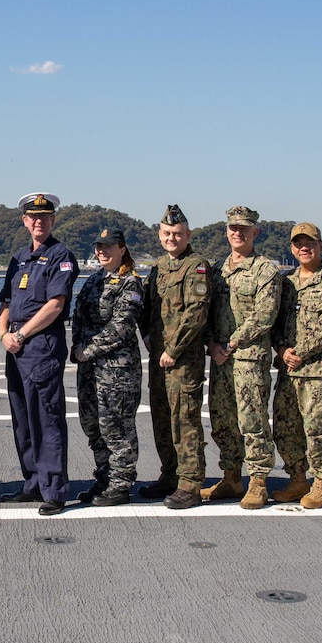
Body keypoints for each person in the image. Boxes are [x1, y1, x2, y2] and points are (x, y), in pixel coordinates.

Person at [0, 193, 78, 516]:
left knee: (46, 418)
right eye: (33, 217)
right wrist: (4, 334)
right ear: (25, 221)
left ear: (53, 220)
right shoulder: (19, 258)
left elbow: (56, 305)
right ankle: (32, 482)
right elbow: (4, 303)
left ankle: (54, 488)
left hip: (41, 346)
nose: (38, 222)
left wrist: (20, 334)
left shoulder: (60, 255)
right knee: (23, 419)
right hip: (15, 347)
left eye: (44, 217)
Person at [205, 206, 282, 509]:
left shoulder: (265, 270)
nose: (238, 233)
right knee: (223, 420)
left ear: (255, 233)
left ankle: (259, 481)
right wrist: (212, 343)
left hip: (249, 358)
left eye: (244, 229)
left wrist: (231, 343)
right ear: (226, 232)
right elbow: (206, 311)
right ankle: (231, 476)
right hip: (221, 359)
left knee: (253, 421)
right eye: (233, 228)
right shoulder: (216, 270)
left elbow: (265, 315)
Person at [270, 222, 322, 509]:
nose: (304, 248)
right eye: (298, 243)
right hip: (289, 369)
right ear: (292, 248)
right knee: (284, 426)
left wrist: (299, 352)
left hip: (319, 371)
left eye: (310, 243)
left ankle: (321, 482)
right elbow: (275, 321)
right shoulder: (287, 282)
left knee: (317, 427)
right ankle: (297, 478)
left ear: (320, 245)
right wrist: (281, 348)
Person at [141, 205, 212, 509]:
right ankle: (169, 474)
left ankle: (190, 483)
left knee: (185, 421)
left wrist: (173, 350)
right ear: (160, 234)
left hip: (182, 360)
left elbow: (196, 313)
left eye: (178, 234)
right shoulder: (158, 267)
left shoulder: (196, 266)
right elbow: (146, 308)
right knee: (162, 419)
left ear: (188, 235)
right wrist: (149, 341)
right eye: (167, 233)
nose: (172, 238)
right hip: (159, 359)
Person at [70, 228, 144, 506]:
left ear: (122, 249)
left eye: (108, 247)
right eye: (99, 247)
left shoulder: (130, 283)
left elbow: (122, 327)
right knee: (93, 426)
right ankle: (104, 478)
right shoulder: (93, 281)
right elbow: (77, 318)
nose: (102, 251)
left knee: (117, 427)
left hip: (117, 370)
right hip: (89, 368)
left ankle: (121, 483)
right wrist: (77, 348)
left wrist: (87, 351)